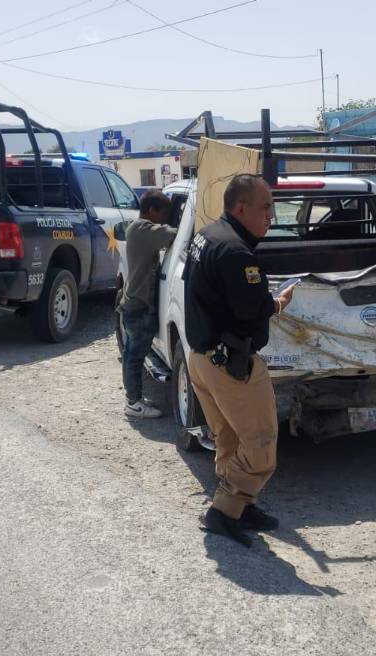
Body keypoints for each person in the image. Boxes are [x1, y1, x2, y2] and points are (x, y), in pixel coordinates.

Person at [183, 174, 295, 547]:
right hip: (231, 365)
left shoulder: (208, 235)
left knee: (230, 440)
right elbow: (252, 308)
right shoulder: (236, 252)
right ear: (241, 208)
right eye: (265, 208)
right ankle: (224, 511)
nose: (271, 217)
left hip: (203, 359)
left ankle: (241, 507)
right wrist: (278, 303)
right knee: (260, 443)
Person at [119, 189, 176, 418]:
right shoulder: (143, 229)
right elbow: (174, 235)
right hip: (139, 305)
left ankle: (133, 399)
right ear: (151, 210)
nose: (164, 219)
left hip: (132, 302)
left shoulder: (136, 228)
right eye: (163, 214)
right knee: (134, 357)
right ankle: (133, 403)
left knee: (131, 355)